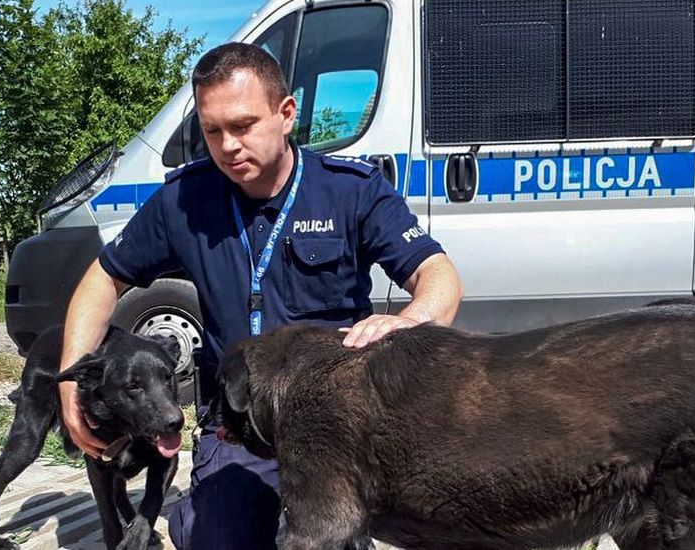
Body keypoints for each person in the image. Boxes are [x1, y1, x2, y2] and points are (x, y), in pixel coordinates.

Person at [57, 42, 463, 549]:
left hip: (333, 419)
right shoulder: (184, 199)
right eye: (212, 131)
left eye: (243, 126)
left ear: (286, 113)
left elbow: (438, 275)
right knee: (219, 538)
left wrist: (411, 319)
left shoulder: (351, 191)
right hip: (239, 421)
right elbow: (102, 277)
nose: (227, 146)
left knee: (332, 534)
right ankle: (202, 512)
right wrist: (69, 376)